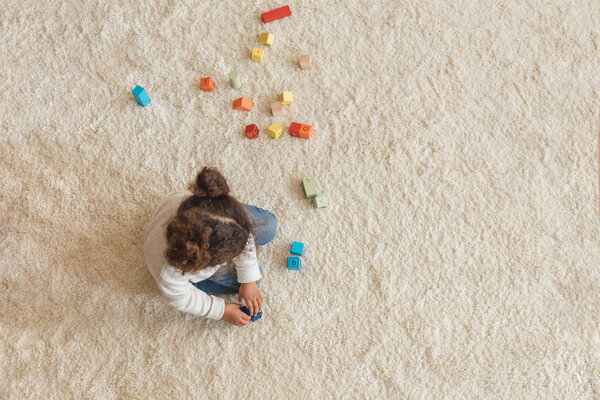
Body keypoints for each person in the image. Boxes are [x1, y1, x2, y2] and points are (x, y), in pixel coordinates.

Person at [143, 167, 276, 326]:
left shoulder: (212, 210)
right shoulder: (171, 273)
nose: (243, 251)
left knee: (269, 226)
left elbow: (242, 231)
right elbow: (183, 298)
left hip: (209, 213)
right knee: (248, 278)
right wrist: (222, 311)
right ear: (208, 262)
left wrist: (249, 280)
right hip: (185, 255)